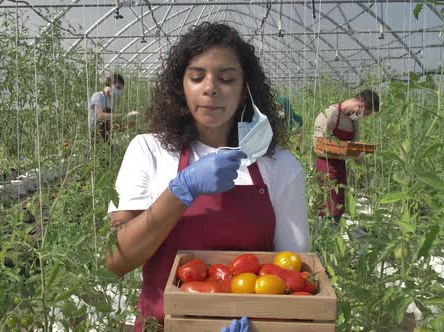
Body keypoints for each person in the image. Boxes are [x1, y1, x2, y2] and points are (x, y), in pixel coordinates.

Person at [104, 22, 309, 331]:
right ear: (180, 87)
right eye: (196, 77)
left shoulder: (280, 166)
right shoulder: (147, 150)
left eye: (226, 78)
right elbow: (116, 260)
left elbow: (293, 274)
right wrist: (180, 190)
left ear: (244, 91)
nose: (210, 87)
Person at [313, 89, 380, 224]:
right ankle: (324, 235)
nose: (363, 117)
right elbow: (317, 145)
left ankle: (335, 235)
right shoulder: (330, 113)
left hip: (340, 167)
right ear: (360, 106)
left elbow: (356, 148)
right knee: (327, 207)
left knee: (339, 208)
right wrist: (341, 149)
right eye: (366, 114)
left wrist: (369, 174)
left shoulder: (353, 121)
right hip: (326, 166)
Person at [88, 73, 125, 143]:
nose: (119, 91)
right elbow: (99, 116)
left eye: (120, 89)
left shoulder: (110, 99)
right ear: (111, 84)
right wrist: (122, 115)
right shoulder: (98, 96)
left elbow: (108, 118)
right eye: (118, 88)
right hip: (95, 134)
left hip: (104, 134)